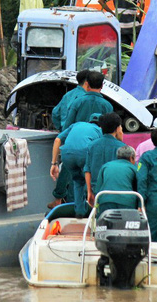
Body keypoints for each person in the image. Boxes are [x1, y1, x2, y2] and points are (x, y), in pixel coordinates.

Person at [46, 69, 90, 209]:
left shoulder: (68, 95)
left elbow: (55, 112)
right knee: (77, 173)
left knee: (67, 167)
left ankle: (60, 198)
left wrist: (61, 129)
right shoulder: (86, 99)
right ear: (88, 83)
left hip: (66, 136)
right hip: (79, 139)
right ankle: (72, 204)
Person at [49, 113, 102, 216]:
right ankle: (94, 211)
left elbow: (57, 140)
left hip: (66, 154)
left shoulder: (76, 125)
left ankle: (79, 213)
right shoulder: (99, 130)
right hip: (84, 154)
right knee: (92, 179)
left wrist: (54, 164)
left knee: (77, 180)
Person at [84, 112, 126, 206]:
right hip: (117, 192)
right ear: (117, 128)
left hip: (98, 191)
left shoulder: (92, 145)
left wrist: (89, 191)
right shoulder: (122, 147)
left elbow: (87, 170)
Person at [94, 146, 138, 215]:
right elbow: (138, 188)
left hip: (106, 200)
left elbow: (98, 188)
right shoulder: (133, 168)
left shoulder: (106, 166)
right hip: (127, 202)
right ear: (131, 158)